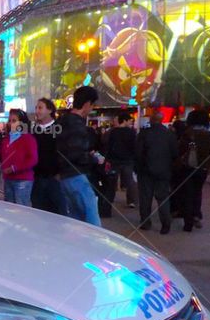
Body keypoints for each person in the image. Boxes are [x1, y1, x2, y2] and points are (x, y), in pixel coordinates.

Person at [56, 86, 101, 226]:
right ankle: (94, 248)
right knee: (92, 221)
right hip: (77, 176)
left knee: (76, 221)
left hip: (64, 177)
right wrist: (94, 158)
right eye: (92, 105)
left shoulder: (61, 122)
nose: (91, 109)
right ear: (87, 104)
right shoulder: (77, 124)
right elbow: (75, 154)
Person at [135, 111, 178, 234]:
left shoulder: (144, 134)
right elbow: (175, 153)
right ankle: (165, 224)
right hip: (164, 170)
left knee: (145, 198)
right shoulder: (169, 134)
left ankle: (145, 222)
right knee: (163, 198)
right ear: (162, 120)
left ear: (151, 120)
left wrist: (138, 167)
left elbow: (138, 153)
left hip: (146, 170)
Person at [174, 109, 210, 232]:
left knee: (187, 194)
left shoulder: (187, 134)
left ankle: (188, 223)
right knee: (198, 192)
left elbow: (180, 150)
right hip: (203, 168)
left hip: (187, 168)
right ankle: (196, 215)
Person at [0, 108, 37, 206]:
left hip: (22, 179)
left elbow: (33, 159)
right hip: (8, 179)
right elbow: (0, 154)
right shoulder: (6, 139)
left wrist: (14, 168)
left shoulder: (28, 138)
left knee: (21, 209)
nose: (10, 123)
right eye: (10, 120)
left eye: (14, 121)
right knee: (9, 208)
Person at [31, 98, 66, 215]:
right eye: (36, 108)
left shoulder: (59, 128)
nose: (37, 111)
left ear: (50, 110)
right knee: (38, 212)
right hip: (37, 179)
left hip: (54, 179)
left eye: (40, 108)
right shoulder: (34, 130)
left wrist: (60, 173)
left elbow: (64, 152)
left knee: (57, 213)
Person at [105, 112, 138, 208]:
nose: (130, 122)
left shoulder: (113, 132)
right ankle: (131, 201)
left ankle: (109, 200)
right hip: (128, 160)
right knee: (130, 181)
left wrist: (109, 158)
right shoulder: (132, 132)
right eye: (129, 121)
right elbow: (134, 146)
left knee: (112, 181)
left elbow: (109, 146)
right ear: (124, 120)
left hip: (114, 160)